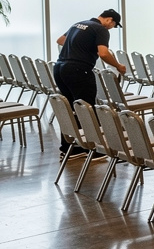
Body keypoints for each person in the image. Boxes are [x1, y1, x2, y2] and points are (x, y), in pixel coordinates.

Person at [53, 9, 125, 155]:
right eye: (114, 25)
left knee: (70, 108)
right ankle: (93, 149)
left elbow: (60, 40)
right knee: (86, 108)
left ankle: (68, 147)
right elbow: (103, 53)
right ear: (110, 20)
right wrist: (118, 66)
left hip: (60, 68)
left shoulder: (78, 24)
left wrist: (80, 46)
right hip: (79, 70)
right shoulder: (101, 29)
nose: (112, 27)